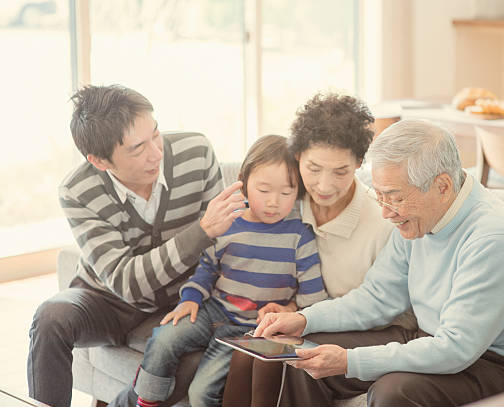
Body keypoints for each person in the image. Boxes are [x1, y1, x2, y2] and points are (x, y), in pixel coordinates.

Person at [252, 119, 504, 407]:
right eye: (380, 196)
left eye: (395, 197)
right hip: (435, 337)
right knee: (304, 354)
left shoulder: (492, 239)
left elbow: (455, 349)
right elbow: (377, 298)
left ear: (442, 187)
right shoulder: (418, 219)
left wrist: (349, 360)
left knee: (394, 393)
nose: (386, 212)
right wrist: (306, 320)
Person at [27, 84, 247, 407]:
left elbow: (221, 248)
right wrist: (200, 231)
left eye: (155, 134)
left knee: (188, 364)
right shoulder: (78, 190)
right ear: (99, 161)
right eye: (137, 148)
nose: (157, 152)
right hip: (105, 301)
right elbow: (127, 282)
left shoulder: (196, 152)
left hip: (179, 299)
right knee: (51, 318)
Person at [111, 134, 329, 407]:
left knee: (202, 393)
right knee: (164, 338)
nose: (274, 202)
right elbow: (206, 268)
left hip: (253, 329)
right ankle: (146, 401)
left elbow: (314, 299)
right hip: (215, 310)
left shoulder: (300, 236)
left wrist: (289, 311)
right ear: (243, 182)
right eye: (264, 190)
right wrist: (190, 298)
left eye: (286, 193)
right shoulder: (229, 224)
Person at [222, 93, 396, 407]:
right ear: (298, 155)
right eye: (313, 168)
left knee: (274, 356)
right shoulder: (286, 202)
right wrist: (290, 308)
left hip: (369, 330)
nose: (324, 185)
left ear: (359, 163)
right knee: (248, 351)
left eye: (340, 171)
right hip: (311, 319)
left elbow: (384, 308)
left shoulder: (382, 224)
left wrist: (302, 318)